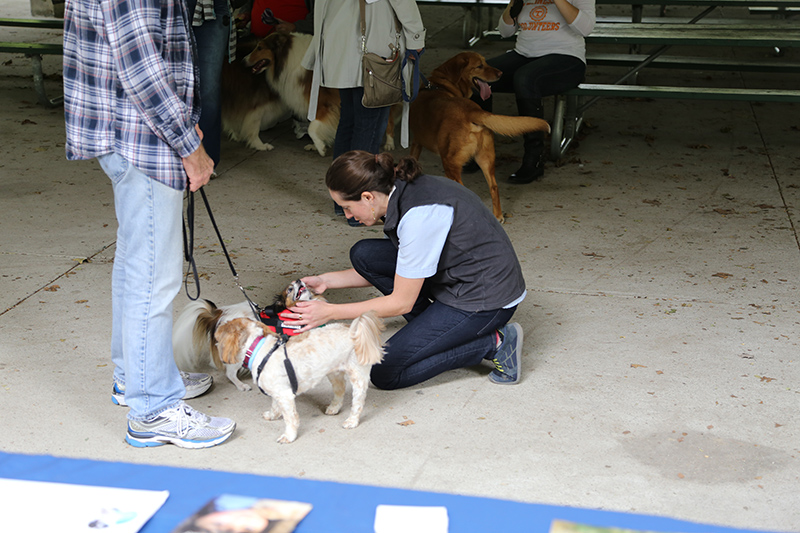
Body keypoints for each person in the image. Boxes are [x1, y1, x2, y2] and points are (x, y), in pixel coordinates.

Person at [63, 0, 236, 448]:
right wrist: (186, 141)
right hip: (143, 139)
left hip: (134, 131)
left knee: (134, 264)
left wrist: (186, 120)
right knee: (153, 280)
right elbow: (140, 63)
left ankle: (134, 376)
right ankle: (153, 409)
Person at [284, 151, 526, 389]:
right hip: (459, 274)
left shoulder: (418, 218)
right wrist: (325, 280)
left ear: (368, 197)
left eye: (347, 207)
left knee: (384, 372)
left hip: (484, 299)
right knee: (364, 255)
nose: (348, 215)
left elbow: (402, 302)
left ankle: (495, 343)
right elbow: (407, 269)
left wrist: (330, 312)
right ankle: (436, 331)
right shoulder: (397, 186)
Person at [301, 0, 425, 225]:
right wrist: (416, 37)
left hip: (340, 44)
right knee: (368, 127)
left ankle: (343, 203)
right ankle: (359, 208)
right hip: (372, 49)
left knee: (348, 123)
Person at [480, 0, 596, 184]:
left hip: (567, 58)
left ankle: (534, 159)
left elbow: (585, 28)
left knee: (525, 78)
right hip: (524, 54)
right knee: (478, 75)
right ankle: (477, 150)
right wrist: (513, 4)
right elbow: (505, 31)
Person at [188, 0, 239, 173]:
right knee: (169, 82)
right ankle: (171, 157)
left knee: (208, 90)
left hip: (211, 7)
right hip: (168, 6)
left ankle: (206, 161)